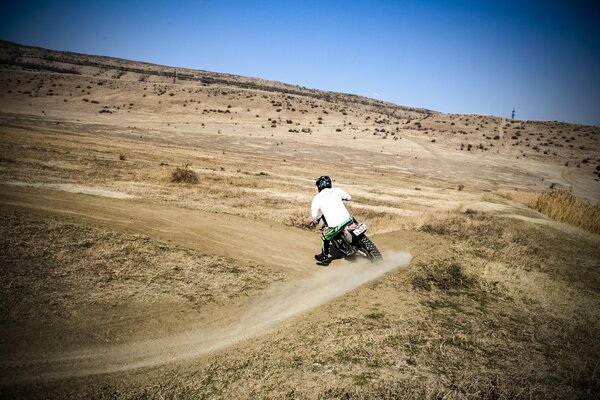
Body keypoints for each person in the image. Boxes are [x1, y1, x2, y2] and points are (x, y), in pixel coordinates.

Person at [309, 176, 353, 265]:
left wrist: (315, 221)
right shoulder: (337, 190)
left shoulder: (317, 198)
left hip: (336, 226)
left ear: (319, 186)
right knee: (351, 219)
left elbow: (314, 214)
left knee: (324, 237)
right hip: (348, 219)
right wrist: (342, 198)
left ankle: (324, 258)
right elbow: (349, 198)